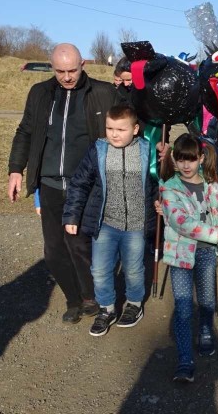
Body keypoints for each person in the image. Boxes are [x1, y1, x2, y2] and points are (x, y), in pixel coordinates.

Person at [8, 43, 120, 323]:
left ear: (83, 64)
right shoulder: (39, 93)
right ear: (51, 67)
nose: (67, 76)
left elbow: (126, 127)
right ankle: (72, 298)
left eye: (72, 70)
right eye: (60, 71)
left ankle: (90, 296)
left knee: (80, 244)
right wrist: (15, 170)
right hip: (49, 185)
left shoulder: (104, 93)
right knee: (54, 249)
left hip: (85, 184)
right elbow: (25, 131)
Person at [62, 105, 156, 336]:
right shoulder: (98, 149)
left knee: (134, 269)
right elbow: (79, 183)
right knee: (100, 270)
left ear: (135, 129)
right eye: (109, 128)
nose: (114, 134)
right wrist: (72, 215)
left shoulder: (147, 150)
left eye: (121, 129)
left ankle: (134, 304)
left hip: (136, 224)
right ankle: (107, 308)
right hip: (106, 223)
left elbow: (157, 183)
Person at [159, 133, 218, 383]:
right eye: (181, 159)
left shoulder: (212, 185)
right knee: (182, 306)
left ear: (201, 159)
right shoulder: (169, 188)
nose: (186, 165)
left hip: (206, 252)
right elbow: (180, 222)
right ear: (175, 159)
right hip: (180, 255)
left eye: (191, 159)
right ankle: (184, 359)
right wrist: (217, 233)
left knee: (206, 299)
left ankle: (205, 329)